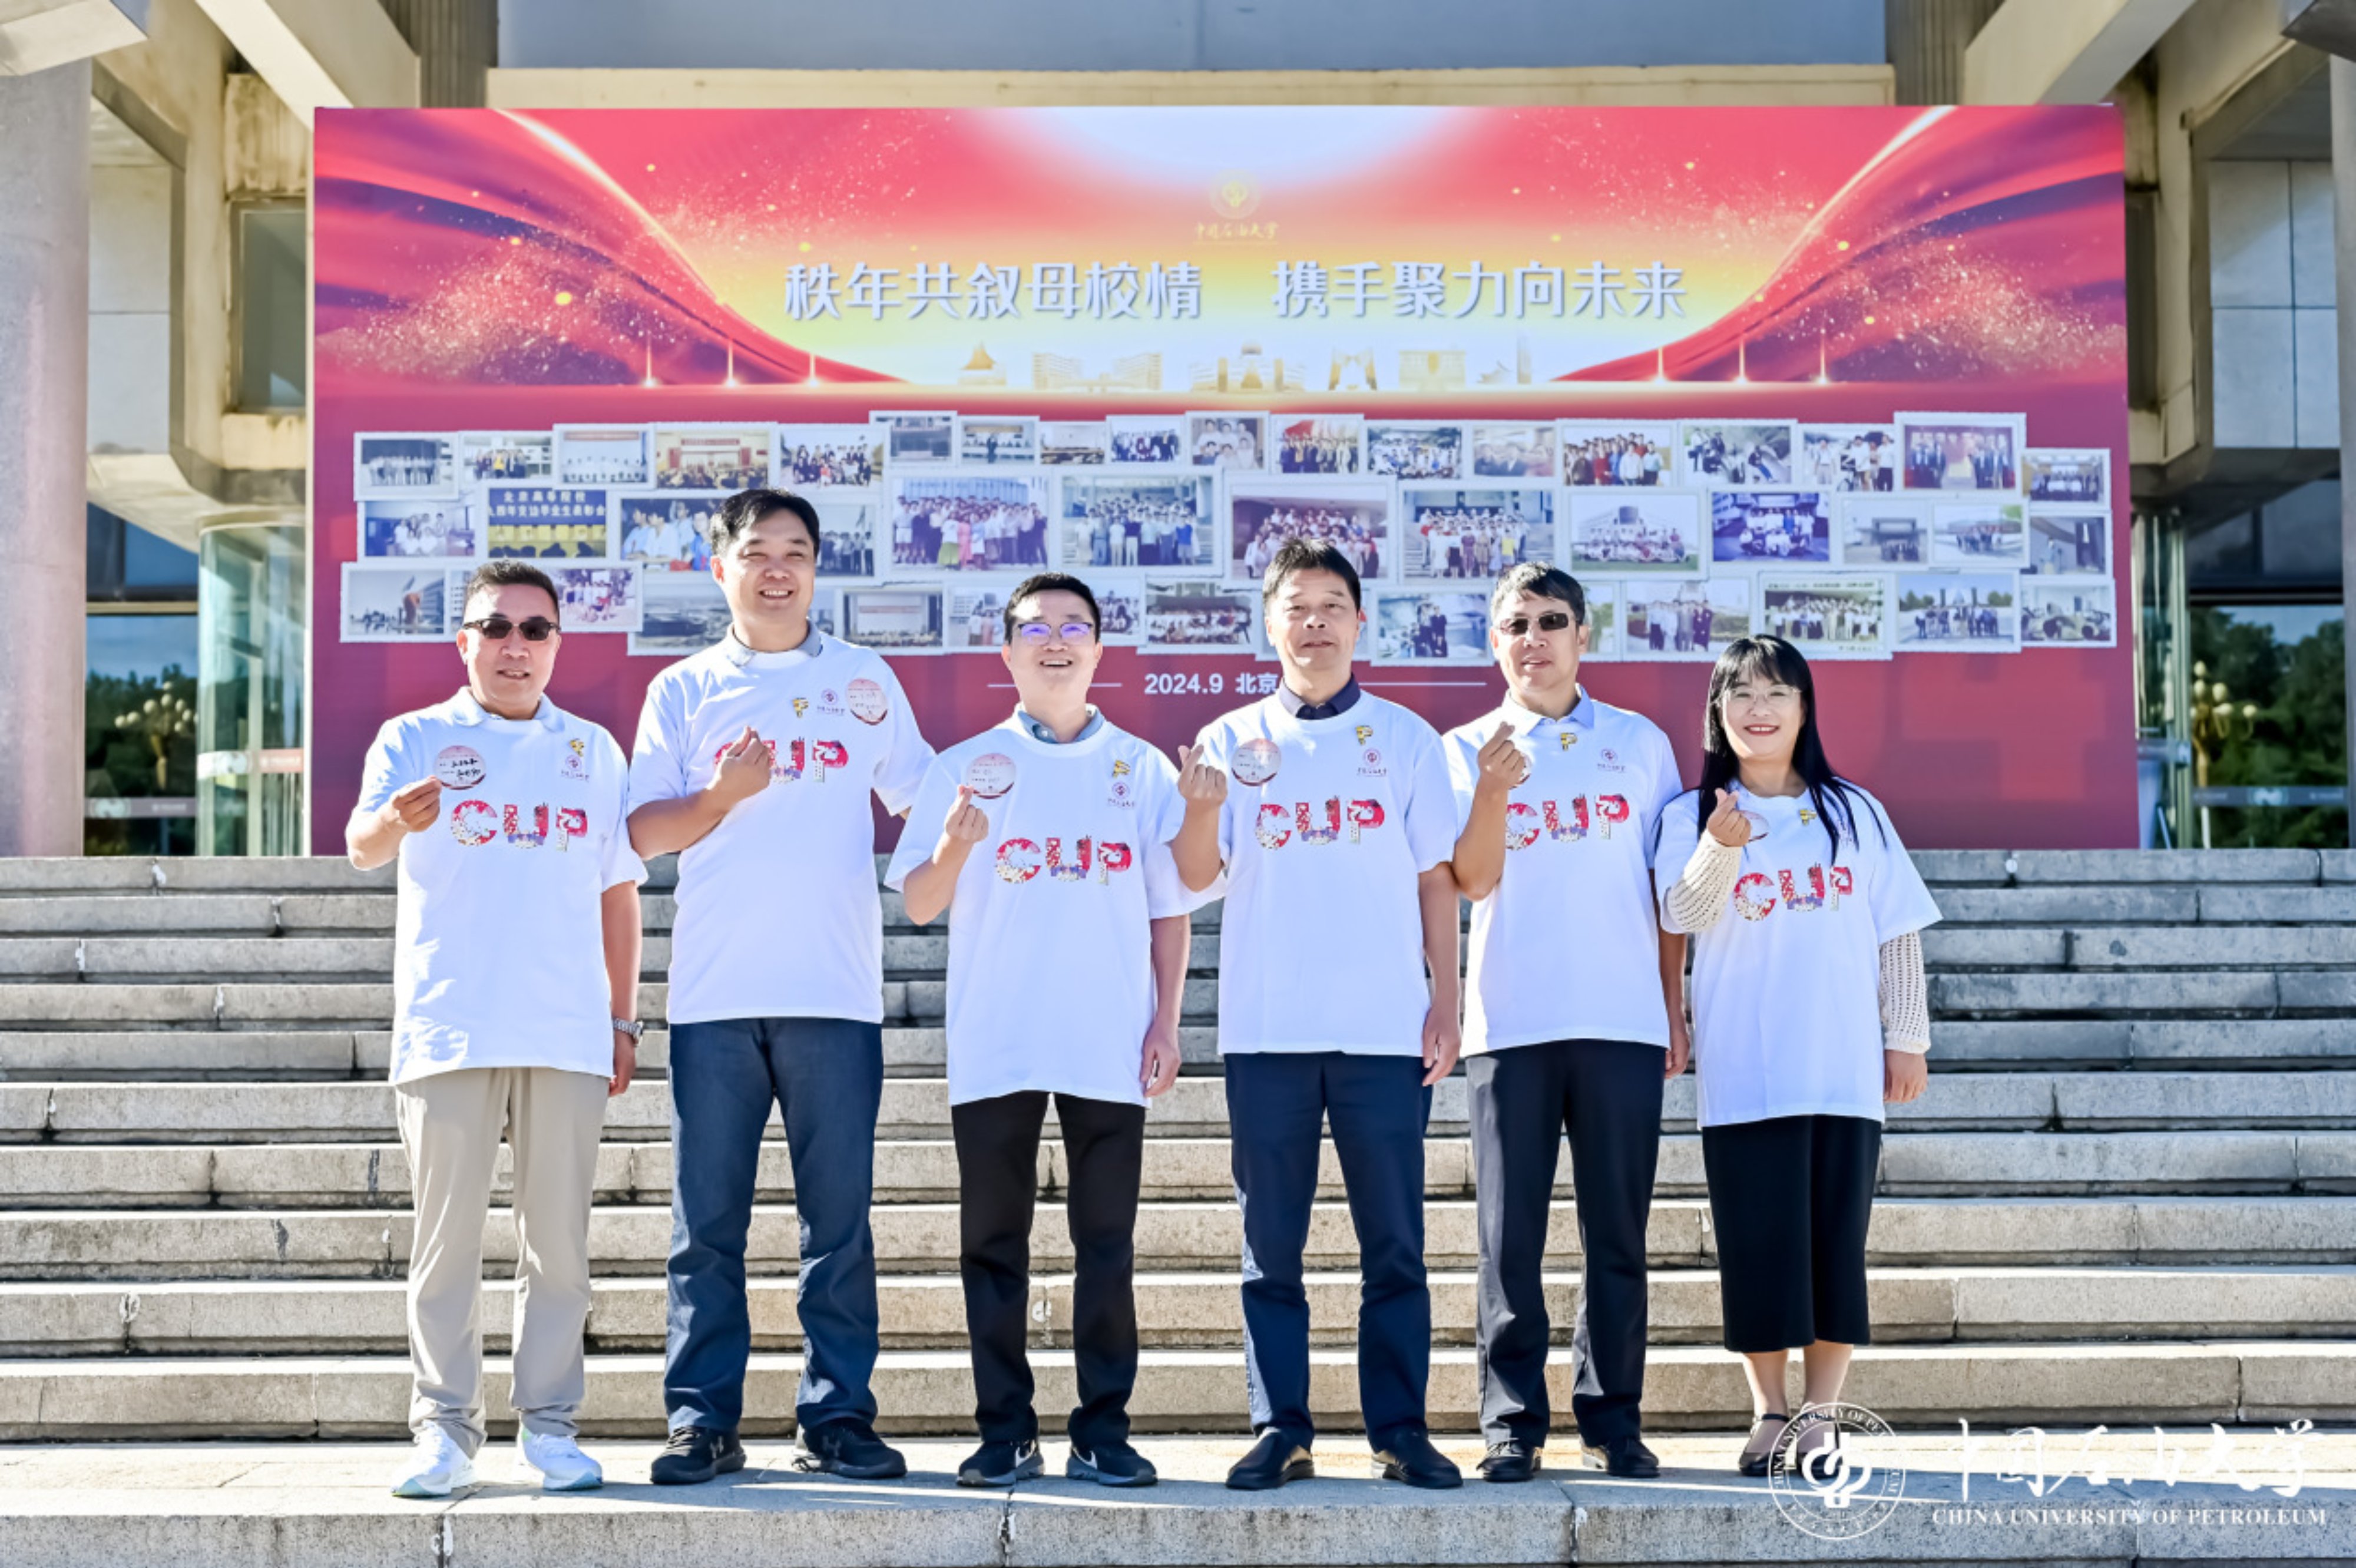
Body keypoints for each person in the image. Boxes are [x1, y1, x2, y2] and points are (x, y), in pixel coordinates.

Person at [627, 488, 934, 1486]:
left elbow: (924, 798)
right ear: (719, 567)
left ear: (815, 568)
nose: (777, 569)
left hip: (834, 992)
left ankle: (836, 1416)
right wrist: (719, 797)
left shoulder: (863, 679)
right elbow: (642, 830)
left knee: (836, 1225)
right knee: (705, 1227)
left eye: (796, 552)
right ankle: (701, 1420)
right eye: (757, 551)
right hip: (714, 996)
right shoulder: (684, 688)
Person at [887, 572, 1208, 1490]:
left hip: (1108, 1040)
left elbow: (1171, 908)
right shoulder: (964, 765)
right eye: (1036, 628)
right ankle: (1006, 1430)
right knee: (993, 1245)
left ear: (1099, 649)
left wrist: (1165, 1018)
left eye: (1075, 626)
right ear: (1007, 652)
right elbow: (918, 901)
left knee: (1106, 1245)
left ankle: (1103, 1429)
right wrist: (955, 844)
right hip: (999, 1039)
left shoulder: (1140, 767)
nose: (1056, 640)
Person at [1171, 539, 1464, 1492]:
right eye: (1297, 606)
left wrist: (1447, 998)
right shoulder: (1229, 739)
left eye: (1333, 605)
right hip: (1269, 1029)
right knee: (1271, 1250)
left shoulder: (1408, 740)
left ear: (1359, 621)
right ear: (1269, 623)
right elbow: (1196, 878)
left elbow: (1436, 877)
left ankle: (1400, 1427)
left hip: (1385, 1028)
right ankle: (1280, 1425)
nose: (1315, 622)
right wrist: (1201, 811)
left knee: (1396, 1245)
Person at [349, 560, 645, 1500]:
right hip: (451, 1025)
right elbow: (360, 846)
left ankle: (550, 1426)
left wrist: (623, 1016)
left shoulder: (592, 750)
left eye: (535, 628)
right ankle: (443, 1428)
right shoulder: (415, 737)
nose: (516, 645)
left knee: (558, 1246)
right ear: (464, 640)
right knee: (445, 1244)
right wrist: (395, 818)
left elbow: (618, 891)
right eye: (496, 627)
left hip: (565, 1028)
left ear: (557, 643)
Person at [1655, 636, 1940, 1478]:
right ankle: (1769, 1411)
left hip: (1842, 1069)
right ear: (1717, 712)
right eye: (1740, 694)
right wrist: (1720, 845)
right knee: (1757, 1248)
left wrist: (1906, 1036)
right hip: (1748, 1070)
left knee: (1833, 1248)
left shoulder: (1854, 811)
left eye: (1777, 692)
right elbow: (1681, 913)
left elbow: (1896, 932)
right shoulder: (1690, 814)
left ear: (1805, 708)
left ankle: (1821, 1417)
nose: (1760, 709)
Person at [1441, 563, 1687, 1484]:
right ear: (1494, 642)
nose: (1534, 639)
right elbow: (1470, 879)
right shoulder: (1466, 747)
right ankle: (1512, 1421)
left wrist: (1672, 1001)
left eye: (1552, 621)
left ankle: (1612, 1417)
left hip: (1621, 1019)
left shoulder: (1640, 743)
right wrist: (1494, 791)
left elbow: (1669, 889)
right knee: (1509, 1238)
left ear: (1584, 636)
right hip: (1511, 1021)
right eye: (1517, 624)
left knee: (1617, 1232)